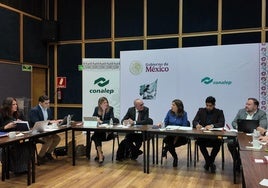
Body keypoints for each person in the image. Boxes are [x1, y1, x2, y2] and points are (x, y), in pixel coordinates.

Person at [227, 97, 268, 171]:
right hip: (241, 136)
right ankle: (237, 160)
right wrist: (237, 126)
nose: (246, 106)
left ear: (255, 106)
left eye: (249, 104)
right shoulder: (241, 111)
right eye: (246, 104)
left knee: (247, 147)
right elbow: (233, 122)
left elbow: (263, 126)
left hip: (254, 137)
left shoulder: (262, 113)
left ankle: (243, 163)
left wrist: (258, 129)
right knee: (230, 143)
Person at [192, 96, 225, 173]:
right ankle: (210, 162)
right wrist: (197, 124)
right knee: (200, 142)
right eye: (207, 105)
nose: (208, 107)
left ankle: (208, 162)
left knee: (218, 143)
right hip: (203, 135)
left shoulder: (219, 112)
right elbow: (194, 121)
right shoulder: (201, 111)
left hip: (214, 136)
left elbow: (221, 123)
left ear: (214, 105)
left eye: (210, 106)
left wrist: (212, 126)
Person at [0, 97, 31, 174]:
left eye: (16, 104)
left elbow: (28, 124)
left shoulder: (18, 113)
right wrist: (5, 127)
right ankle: (15, 168)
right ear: (7, 106)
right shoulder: (1, 115)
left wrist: (21, 122)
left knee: (28, 145)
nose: (16, 106)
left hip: (16, 137)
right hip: (5, 140)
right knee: (16, 148)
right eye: (13, 104)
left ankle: (22, 168)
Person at [28, 95, 61, 164]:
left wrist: (54, 122)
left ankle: (48, 154)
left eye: (48, 103)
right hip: (36, 131)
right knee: (49, 140)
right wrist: (49, 122)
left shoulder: (48, 110)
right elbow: (36, 123)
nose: (48, 104)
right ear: (40, 103)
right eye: (46, 103)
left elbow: (50, 119)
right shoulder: (34, 110)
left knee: (57, 138)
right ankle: (40, 157)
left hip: (46, 130)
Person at [161, 99, 189, 167]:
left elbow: (185, 125)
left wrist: (177, 130)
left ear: (178, 107)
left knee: (169, 143)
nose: (171, 106)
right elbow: (165, 122)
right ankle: (175, 157)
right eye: (172, 104)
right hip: (170, 135)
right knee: (169, 141)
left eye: (173, 105)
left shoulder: (184, 114)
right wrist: (162, 124)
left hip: (181, 136)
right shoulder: (169, 112)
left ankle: (166, 149)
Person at [91, 97, 118, 164]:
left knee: (95, 136)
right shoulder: (97, 109)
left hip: (108, 132)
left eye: (107, 102)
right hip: (99, 131)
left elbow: (112, 120)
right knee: (96, 135)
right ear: (100, 104)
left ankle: (100, 154)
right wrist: (96, 119)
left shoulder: (110, 109)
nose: (106, 104)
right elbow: (93, 118)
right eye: (104, 103)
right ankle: (100, 154)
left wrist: (101, 121)